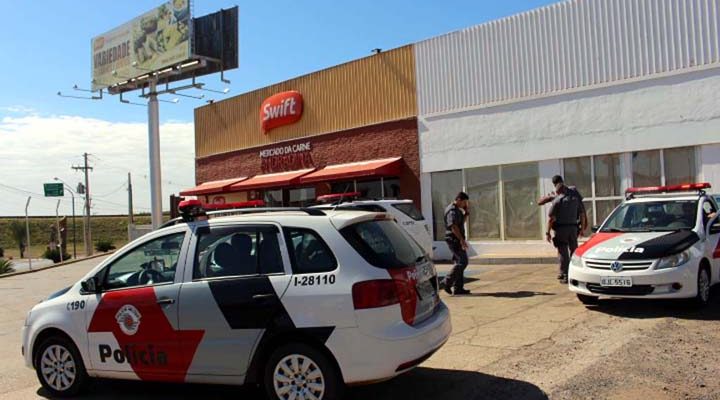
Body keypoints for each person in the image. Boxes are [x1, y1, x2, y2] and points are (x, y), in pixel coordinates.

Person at [542, 176, 588, 284]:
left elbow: (551, 219)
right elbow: (582, 214)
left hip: (561, 229)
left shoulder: (557, 200)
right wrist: (581, 228)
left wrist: (547, 232)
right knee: (574, 250)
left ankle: (566, 274)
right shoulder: (575, 198)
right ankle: (575, 273)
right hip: (573, 228)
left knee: (563, 252)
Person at [443, 192, 471, 295]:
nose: (464, 204)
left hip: (456, 238)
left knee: (459, 262)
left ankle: (458, 288)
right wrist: (461, 240)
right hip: (454, 239)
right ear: (458, 199)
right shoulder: (452, 211)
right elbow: (453, 227)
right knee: (462, 262)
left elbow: (459, 223)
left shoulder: (457, 210)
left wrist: (466, 214)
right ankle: (447, 281)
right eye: (464, 202)